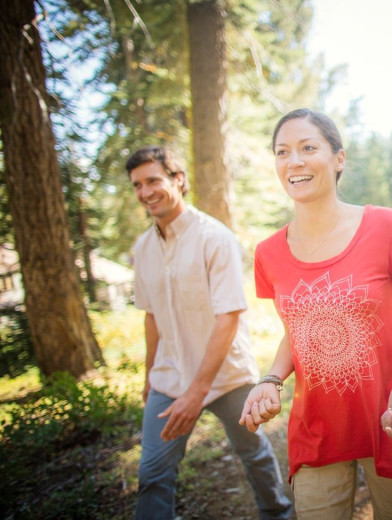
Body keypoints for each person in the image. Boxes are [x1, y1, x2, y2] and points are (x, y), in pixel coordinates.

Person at [238, 108, 392, 519]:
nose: (293, 161)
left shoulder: (385, 226)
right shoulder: (269, 252)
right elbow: (299, 332)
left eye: (307, 148)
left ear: (339, 159)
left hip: (388, 416)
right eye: (282, 152)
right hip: (316, 427)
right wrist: (270, 379)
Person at [126, 145, 292, 520]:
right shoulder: (143, 248)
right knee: (152, 473)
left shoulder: (214, 238)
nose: (145, 192)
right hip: (170, 378)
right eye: (137, 185)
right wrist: (149, 376)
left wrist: (197, 393)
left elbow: (228, 317)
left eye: (153, 180)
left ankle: (277, 513)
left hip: (228, 375)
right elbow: (151, 318)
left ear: (177, 179)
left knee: (252, 451)